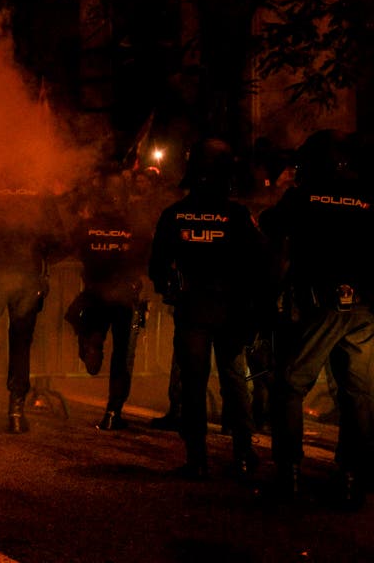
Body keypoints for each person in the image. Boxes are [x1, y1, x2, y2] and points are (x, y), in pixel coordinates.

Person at [261, 130, 374, 506]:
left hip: (320, 305)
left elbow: (272, 225)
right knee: (357, 393)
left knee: (290, 385)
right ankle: (351, 481)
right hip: (364, 308)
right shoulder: (366, 194)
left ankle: (289, 474)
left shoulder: (303, 197)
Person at [149, 139, 264, 480]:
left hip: (192, 310)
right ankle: (243, 454)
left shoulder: (174, 215)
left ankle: (197, 459)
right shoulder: (238, 215)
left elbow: (157, 265)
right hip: (231, 309)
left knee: (194, 383)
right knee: (234, 380)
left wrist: (169, 289)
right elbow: (257, 263)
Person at [0, 175, 65, 434]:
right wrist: (41, 260)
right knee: (21, 345)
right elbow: (59, 239)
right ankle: (15, 413)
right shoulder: (41, 190)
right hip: (26, 275)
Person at [65, 169, 151, 430]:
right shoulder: (134, 225)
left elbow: (72, 249)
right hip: (124, 296)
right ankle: (113, 413)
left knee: (88, 324)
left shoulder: (88, 225)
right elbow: (146, 259)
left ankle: (91, 339)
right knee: (122, 356)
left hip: (94, 292)